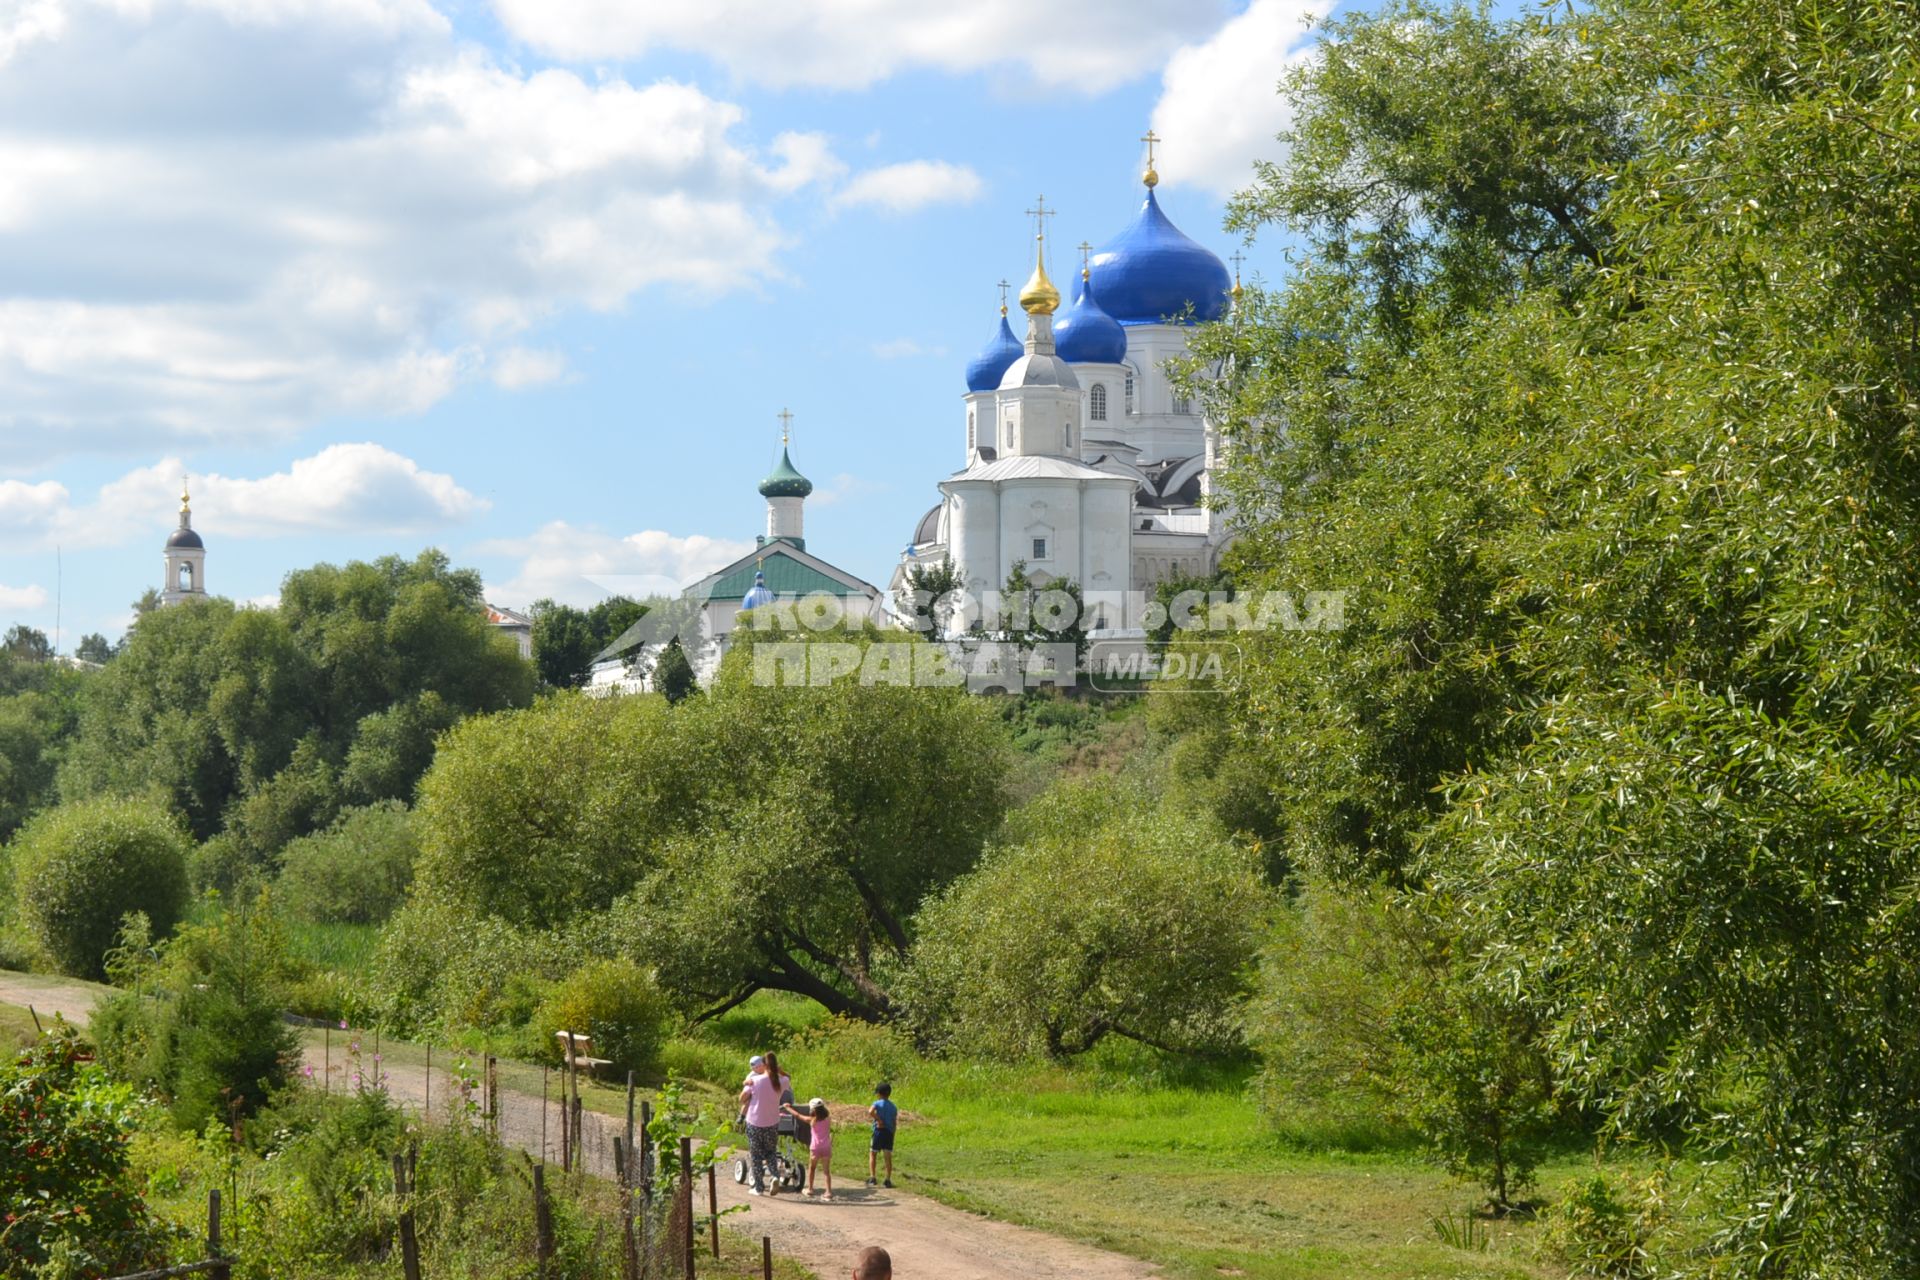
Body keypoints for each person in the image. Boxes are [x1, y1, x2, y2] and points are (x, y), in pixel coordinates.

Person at [739, 1051, 791, 1195]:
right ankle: (775, 1176)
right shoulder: (782, 1081)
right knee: (771, 1152)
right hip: (772, 1122)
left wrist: (745, 1083)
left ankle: (759, 1188)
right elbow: (788, 1077)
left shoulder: (755, 1080)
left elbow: (742, 1099)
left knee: (756, 1156)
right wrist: (779, 1070)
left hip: (754, 1122)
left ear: (764, 1065)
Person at [783, 1096, 834, 1200]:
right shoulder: (828, 1120)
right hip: (826, 1147)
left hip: (815, 1147)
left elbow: (797, 1115)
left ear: (812, 1110)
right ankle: (828, 1192)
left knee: (812, 1168)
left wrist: (787, 1108)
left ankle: (810, 1189)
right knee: (826, 1171)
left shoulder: (812, 1120)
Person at [865, 1081, 898, 1188]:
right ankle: (887, 1179)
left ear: (879, 1093)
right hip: (889, 1132)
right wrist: (893, 1133)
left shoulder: (877, 1103)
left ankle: (872, 1177)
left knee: (873, 1153)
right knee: (887, 1156)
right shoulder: (893, 1107)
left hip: (878, 1131)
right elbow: (894, 1122)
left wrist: (878, 1120)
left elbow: (870, 1112)